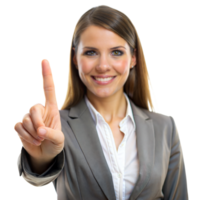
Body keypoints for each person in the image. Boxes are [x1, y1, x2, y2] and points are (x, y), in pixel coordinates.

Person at [13, 4, 189, 200]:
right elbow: (35, 178)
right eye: (90, 52)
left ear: (133, 58)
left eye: (116, 52)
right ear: (75, 59)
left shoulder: (165, 127)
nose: (103, 66)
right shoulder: (57, 127)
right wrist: (41, 158)